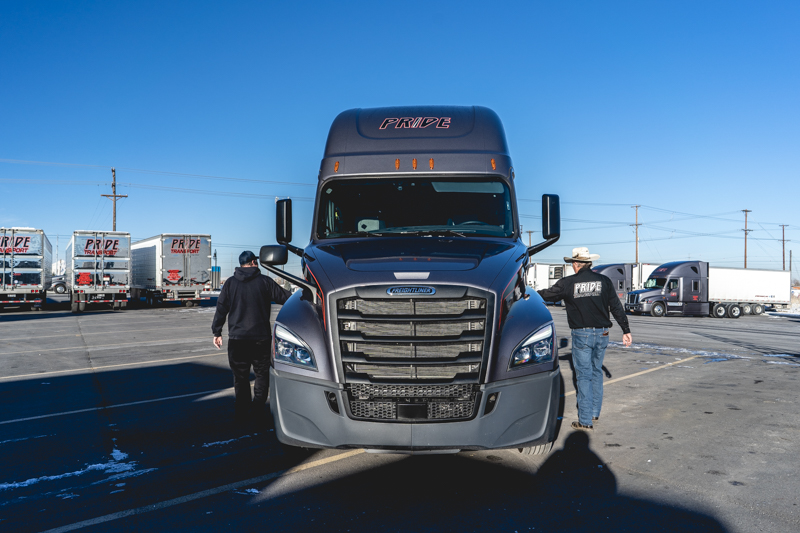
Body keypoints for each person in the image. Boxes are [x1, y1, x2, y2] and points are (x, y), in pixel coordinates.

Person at [538, 247, 632, 431]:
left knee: (583, 376)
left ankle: (585, 420)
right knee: (596, 371)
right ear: (589, 263)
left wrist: (526, 294)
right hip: (603, 333)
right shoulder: (604, 281)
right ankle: (595, 412)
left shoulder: (568, 283)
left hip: (582, 335)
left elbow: (547, 294)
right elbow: (616, 307)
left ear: (575, 264)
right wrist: (625, 330)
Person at [212, 250, 292, 422]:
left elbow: (221, 308)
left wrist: (216, 331)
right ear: (254, 262)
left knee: (240, 378)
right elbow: (286, 298)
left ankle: (242, 412)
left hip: (237, 340)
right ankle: (257, 410)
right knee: (262, 375)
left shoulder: (230, 283)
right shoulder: (265, 282)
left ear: (241, 264)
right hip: (261, 339)